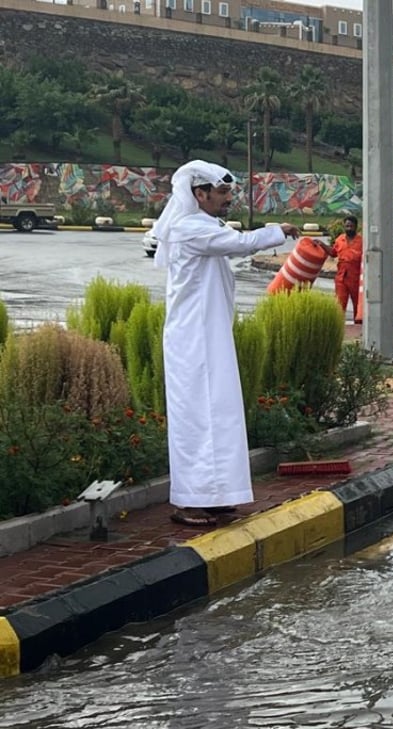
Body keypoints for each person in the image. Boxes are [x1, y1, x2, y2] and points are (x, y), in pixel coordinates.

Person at [151, 160, 300, 527]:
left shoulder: (204, 224)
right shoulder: (189, 228)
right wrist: (276, 231)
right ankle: (190, 501)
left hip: (210, 337)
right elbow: (240, 244)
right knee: (197, 419)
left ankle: (217, 496)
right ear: (198, 194)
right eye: (222, 192)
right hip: (193, 341)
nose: (228, 199)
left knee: (220, 415)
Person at [319, 215, 363, 324]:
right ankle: (338, 327)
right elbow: (333, 253)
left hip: (356, 278)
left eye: (351, 226)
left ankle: (358, 331)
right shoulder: (340, 239)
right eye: (347, 226)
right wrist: (322, 245)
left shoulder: (362, 241)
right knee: (339, 304)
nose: (349, 228)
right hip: (341, 277)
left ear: (356, 227)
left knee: (358, 306)